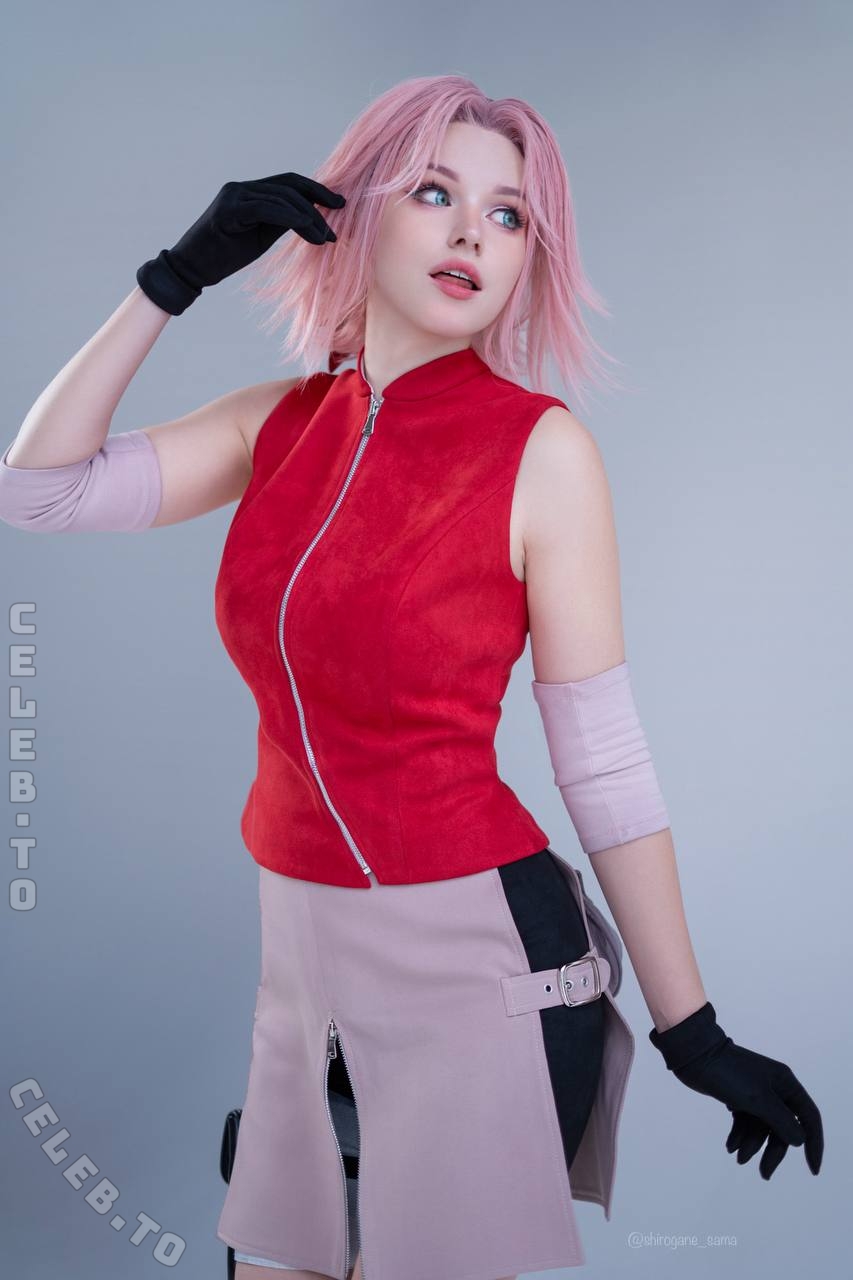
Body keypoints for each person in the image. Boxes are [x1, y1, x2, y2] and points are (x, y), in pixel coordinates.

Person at [0, 74, 823, 1280]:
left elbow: (601, 763)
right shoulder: (277, 423)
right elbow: (37, 491)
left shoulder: (541, 450)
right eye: (435, 193)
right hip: (304, 976)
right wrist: (172, 279)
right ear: (357, 212)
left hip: (477, 966)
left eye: (508, 215)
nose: (470, 235)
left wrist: (689, 1029)